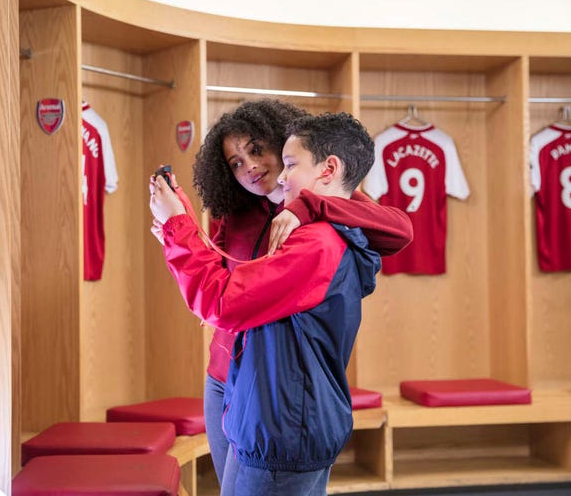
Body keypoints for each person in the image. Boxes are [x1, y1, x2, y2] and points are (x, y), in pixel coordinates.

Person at [151, 99, 412, 489]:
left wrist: (307, 204)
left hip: (277, 396)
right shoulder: (236, 211)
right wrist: (180, 226)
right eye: (236, 162)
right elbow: (216, 286)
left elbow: (397, 227)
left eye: (256, 150)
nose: (250, 166)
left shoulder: (319, 224)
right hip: (236, 377)